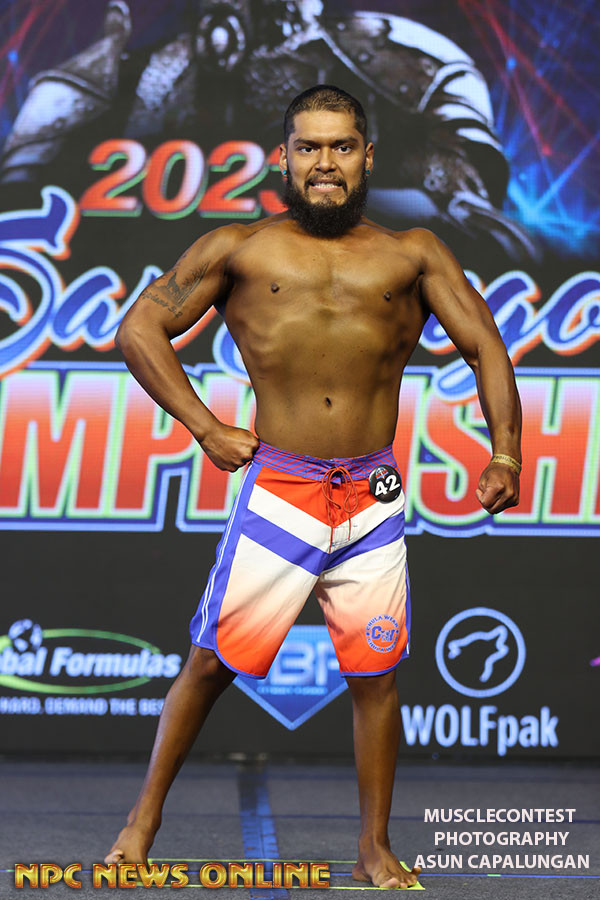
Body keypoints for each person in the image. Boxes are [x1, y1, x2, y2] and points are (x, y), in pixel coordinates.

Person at [105, 84, 521, 889]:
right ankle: (140, 824)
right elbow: (139, 328)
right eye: (308, 147)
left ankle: (373, 847)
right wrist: (205, 426)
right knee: (210, 664)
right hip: (281, 489)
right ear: (284, 158)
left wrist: (505, 450)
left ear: (367, 157)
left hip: (371, 496)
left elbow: (485, 345)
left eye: (340, 147)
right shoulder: (240, 249)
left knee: (376, 677)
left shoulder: (414, 254)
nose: (324, 163)